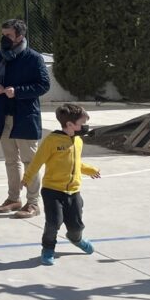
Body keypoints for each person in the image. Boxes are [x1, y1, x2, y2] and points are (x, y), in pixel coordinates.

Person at [0, 18, 50, 219]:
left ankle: (33, 203)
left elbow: (43, 85)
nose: (4, 39)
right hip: (3, 115)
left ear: (20, 36)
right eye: (3, 35)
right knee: (11, 161)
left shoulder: (34, 58)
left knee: (31, 161)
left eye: (8, 36)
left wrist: (18, 91)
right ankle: (13, 199)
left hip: (25, 116)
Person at [23, 103, 100, 265]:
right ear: (70, 125)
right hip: (52, 190)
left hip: (74, 191)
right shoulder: (52, 141)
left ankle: (76, 239)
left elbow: (75, 163)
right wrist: (27, 177)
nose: (85, 127)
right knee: (53, 222)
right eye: (82, 124)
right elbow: (37, 161)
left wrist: (90, 170)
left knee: (76, 225)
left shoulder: (78, 141)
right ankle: (48, 249)